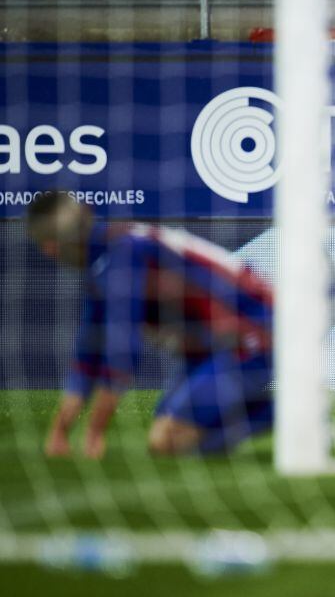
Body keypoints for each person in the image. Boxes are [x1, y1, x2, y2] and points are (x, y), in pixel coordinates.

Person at [28, 192, 274, 458]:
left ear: (51, 247)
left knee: (167, 439)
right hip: (215, 349)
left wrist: (94, 434)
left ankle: (293, 412)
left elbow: (122, 354)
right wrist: (59, 433)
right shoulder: (106, 262)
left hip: (256, 333)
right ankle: (285, 409)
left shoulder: (124, 255)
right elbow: (88, 354)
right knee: (168, 431)